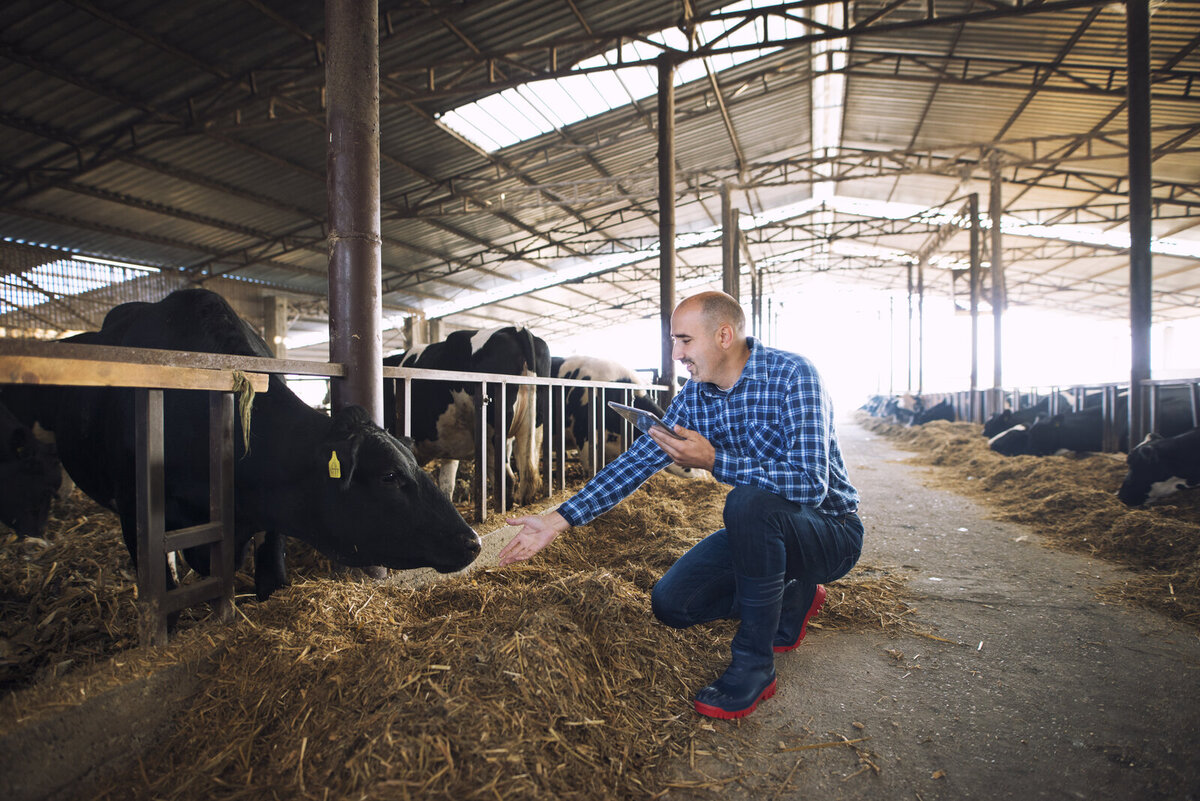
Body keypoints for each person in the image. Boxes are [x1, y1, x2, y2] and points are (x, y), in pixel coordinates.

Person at [498, 290, 862, 719]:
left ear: (724, 335)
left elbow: (811, 484)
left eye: (685, 340)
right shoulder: (695, 396)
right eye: (674, 341)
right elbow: (637, 462)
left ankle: (754, 665)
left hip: (829, 533)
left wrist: (715, 461)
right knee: (673, 604)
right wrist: (557, 520)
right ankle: (789, 595)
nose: (676, 354)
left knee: (747, 503)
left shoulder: (794, 375)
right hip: (761, 534)